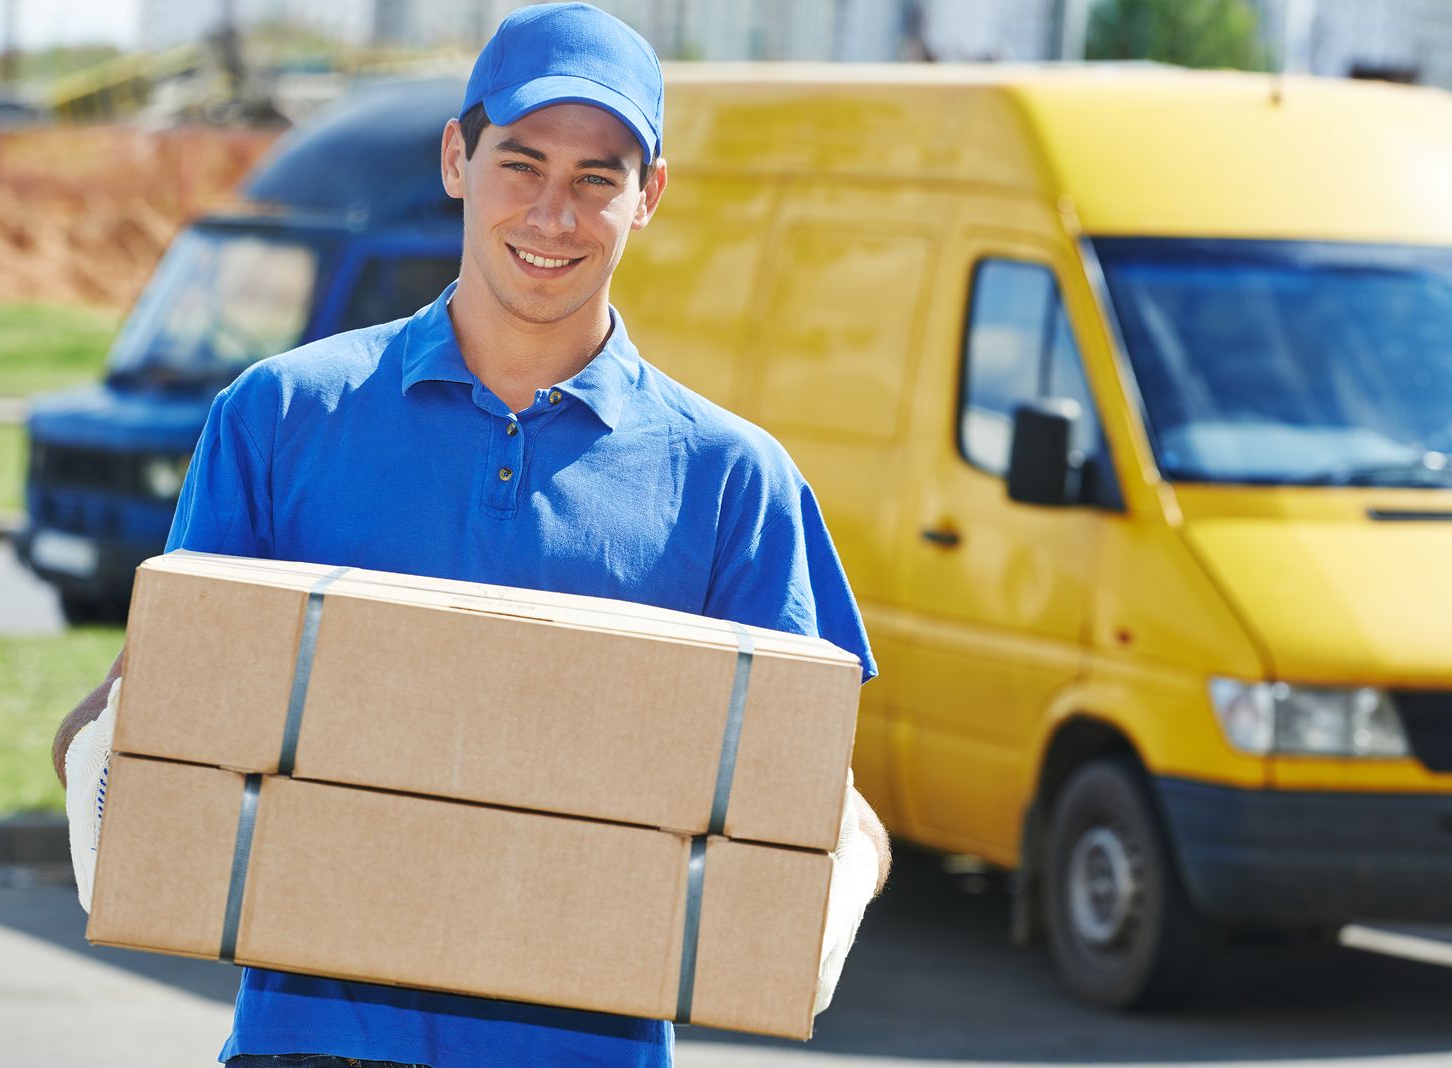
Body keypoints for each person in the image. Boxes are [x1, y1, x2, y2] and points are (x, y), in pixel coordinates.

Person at [52, 4, 890, 1066]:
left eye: (598, 178)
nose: (553, 214)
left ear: (650, 199)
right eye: (521, 163)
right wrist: (107, 765)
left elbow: (818, 804)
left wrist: (835, 878)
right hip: (311, 1046)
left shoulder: (735, 482)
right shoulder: (280, 418)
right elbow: (151, 719)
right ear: (457, 157)